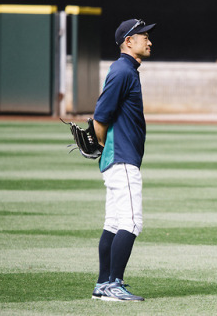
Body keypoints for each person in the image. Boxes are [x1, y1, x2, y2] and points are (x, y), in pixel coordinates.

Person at [90, 18, 156, 302]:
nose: (149, 41)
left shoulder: (127, 69)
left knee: (115, 222)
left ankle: (103, 283)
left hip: (119, 156)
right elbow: (100, 117)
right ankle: (113, 284)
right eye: (144, 36)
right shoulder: (122, 71)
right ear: (129, 41)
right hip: (122, 157)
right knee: (131, 221)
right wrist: (103, 146)